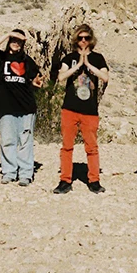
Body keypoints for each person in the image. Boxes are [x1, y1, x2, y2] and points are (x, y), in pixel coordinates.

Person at [53, 24, 109, 194]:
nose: (83, 41)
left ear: (91, 40)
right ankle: (65, 180)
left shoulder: (98, 58)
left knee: (91, 147)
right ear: (76, 39)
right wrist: (78, 65)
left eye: (86, 38)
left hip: (90, 110)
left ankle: (94, 180)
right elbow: (61, 77)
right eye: (80, 38)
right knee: (67, 146)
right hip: (70, 108)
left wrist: (88, 64)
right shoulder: (69, 58)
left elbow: (105, 77)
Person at [0, 29, 43, 186]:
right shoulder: (0, 58)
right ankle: (9, 172)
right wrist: (8, 34)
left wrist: (35, 84)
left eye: (19, 41)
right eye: (13, 40)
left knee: (25, 140)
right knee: (7, 140)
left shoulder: (27, 61)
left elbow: (35, 79)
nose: (16, 43)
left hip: (26, 106)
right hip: (5, 106)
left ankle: (25, 173)